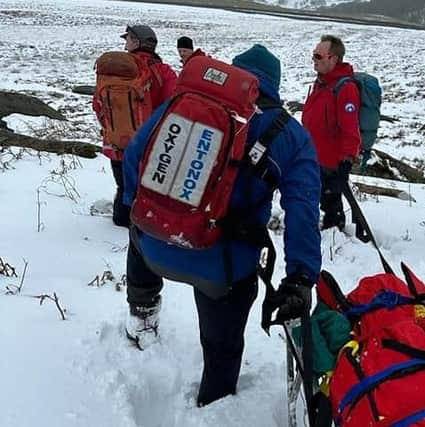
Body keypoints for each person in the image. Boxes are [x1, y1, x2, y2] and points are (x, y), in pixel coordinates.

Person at [121, 44, 322, 407]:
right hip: (220, 267)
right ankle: (215, 401)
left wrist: (143, 213)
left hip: (152, 245)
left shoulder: (183, 102)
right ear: (274, 85)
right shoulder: (291, 136)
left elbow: (136, 153)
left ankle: (142, 313)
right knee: (222, 343)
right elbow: (303, 212)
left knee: (138, 242)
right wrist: (300, 278)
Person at [92, 24, 177, 227]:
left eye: (128, 39)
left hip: (115, 143)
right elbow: (173, 105)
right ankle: (142, 225)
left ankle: (121, 220)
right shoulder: (162, 71)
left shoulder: (112, 71)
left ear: (138, 42)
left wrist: (110, 126)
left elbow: (98, 104)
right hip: (148, 145)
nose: (125, 43)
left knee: (123, 186)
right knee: (145, 188)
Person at [302, 35, 360, 231]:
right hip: (312, 156)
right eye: (314, 55)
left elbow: (350, 128)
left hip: (331, 163)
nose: (314, 60)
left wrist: (347, 159)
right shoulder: (321, 83)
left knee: (331, 205)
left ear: (333, 59)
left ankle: (335, 237)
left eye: (318, 56)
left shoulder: (346, 89)